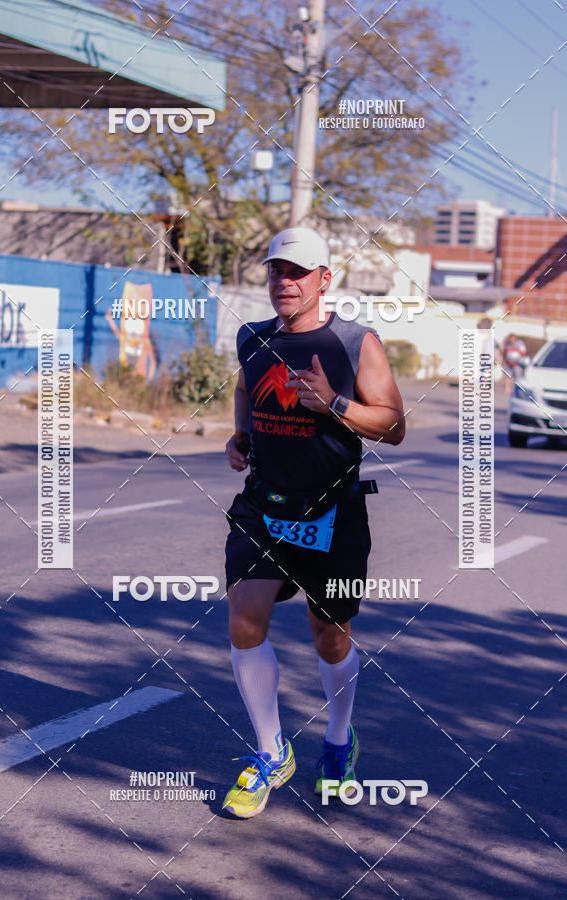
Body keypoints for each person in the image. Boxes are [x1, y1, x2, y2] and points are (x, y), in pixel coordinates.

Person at [222, 226, 405, 818]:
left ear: (325, 280)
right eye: (277, 270)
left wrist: (336, 406)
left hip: (334, 512)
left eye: (298, 272)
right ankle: (272, 752)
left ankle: (338, 737)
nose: (285, 282)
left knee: (331, 637)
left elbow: (395, 424)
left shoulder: (355, 343)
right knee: (245, 622)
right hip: (264, 507)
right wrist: (241, 434)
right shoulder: (253, 338)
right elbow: (247, 392)